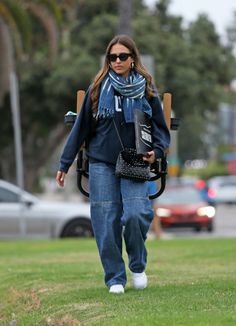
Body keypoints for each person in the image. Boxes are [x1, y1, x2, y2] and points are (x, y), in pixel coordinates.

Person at [56, 34, 170, 294]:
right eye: (112, 57)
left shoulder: (146, 89)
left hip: (135, 161)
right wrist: (64, 163)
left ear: (133, 59)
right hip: (101, 163)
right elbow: (81, 127)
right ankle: (115, 278)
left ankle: (138, 266)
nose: (117, 61)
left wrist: (157, 152)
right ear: (108, 60)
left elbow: (161, 130)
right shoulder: (98, 88)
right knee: (105, 221)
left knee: (136, 215)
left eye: (122, 56)